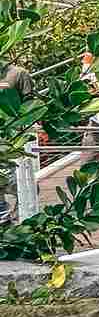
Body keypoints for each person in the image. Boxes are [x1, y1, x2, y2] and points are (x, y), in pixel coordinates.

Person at [0, 57, 38, 226]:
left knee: (16, 181)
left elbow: (31, 104)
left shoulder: (18, 74)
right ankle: (5, 221)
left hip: (13, 139)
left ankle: (25, 217)